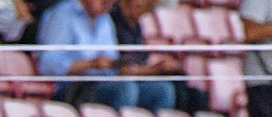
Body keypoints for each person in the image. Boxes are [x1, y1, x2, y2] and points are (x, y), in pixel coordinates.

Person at [37, 0, 173, 111]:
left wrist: (121, 65)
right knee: (125, 90)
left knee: (162, 91)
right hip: (72, 87)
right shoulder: (63, 14)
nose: (109, 3)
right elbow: (47, 64)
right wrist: (90, 64)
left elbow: (112, 62)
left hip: (104, 82)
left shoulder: (105, 19)